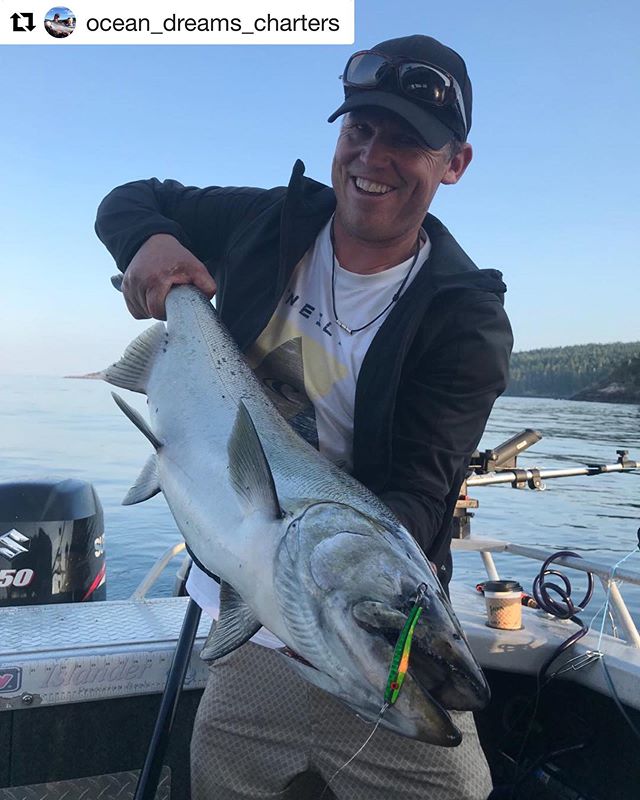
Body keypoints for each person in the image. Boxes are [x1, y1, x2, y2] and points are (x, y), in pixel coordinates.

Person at [95, 34, 512, 800]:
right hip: (243, 611)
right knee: (226, 782)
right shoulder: (269, 222)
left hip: (371, 619)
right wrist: (150, 242)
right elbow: (128, 200)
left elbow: (421, 492)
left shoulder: (466, 323)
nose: (372, 157)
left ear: (454, 163)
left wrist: (332, 606)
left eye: (409, 141)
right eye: (360, 129)